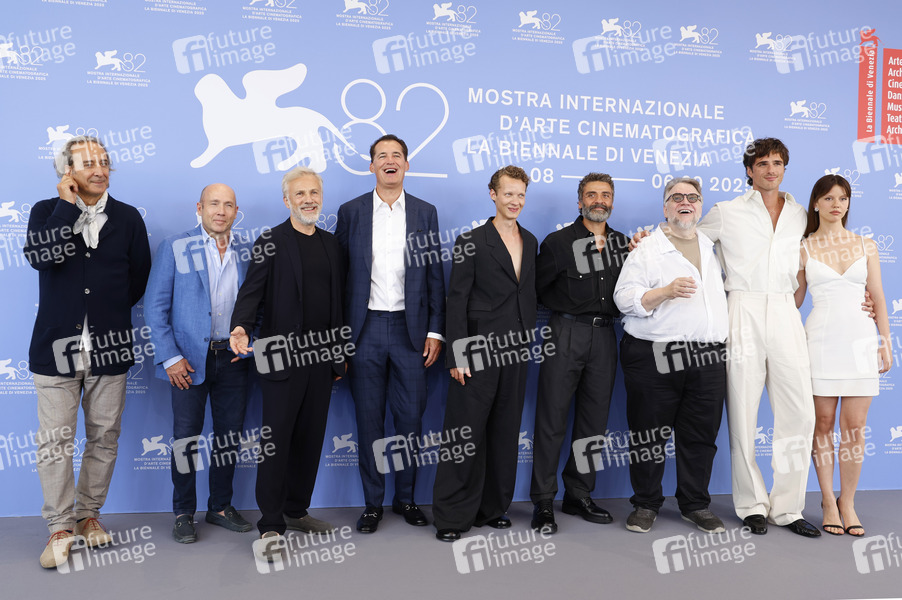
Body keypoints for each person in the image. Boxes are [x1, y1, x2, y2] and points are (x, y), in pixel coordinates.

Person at [25, 136, 151, 568]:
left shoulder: (128, 218)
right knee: (55, 441)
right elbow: (42, 257)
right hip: (55, 349)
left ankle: (88, 516)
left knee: (104, 437)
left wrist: (105, 315)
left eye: (104, 162)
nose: (99, 170)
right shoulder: (46, 211)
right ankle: (59, 527)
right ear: (68, 171)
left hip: (109, 349)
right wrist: (67, 206)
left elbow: (137, 280)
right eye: (87, 163)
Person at [229, 167, 346, 550]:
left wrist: (339, 355)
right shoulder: (271, 240)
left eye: (314, 193)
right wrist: (241, 327)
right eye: (300, 194)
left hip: (321, 359)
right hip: (281, 359)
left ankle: (297, 510)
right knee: (276, 442)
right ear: (287, 200)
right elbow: (251, 292)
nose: (308, 200)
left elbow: (339, 303)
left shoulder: (331, 244)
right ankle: (271, 522)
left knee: (309, 440)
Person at [335, 134, 446, 533]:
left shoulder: (424, 213)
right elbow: (340, 277)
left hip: (410, 331)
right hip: (363, 329)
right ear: (372, 166)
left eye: (396, 155)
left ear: (406, 165)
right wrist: (341, 338)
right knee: (369, 421)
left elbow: (435, 275)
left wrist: (435, 331)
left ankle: (407, 499)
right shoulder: (351, 212)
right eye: (381, 155)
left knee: (410, 420)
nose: (389, 160)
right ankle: (372, 505)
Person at [614, 177, 728, 534]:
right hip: (655, 354)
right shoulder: (647, 247)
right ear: (665, 207)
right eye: (677, 197)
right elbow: (623, 297)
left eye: (692, 197)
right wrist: (663, 292)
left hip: (707, 356)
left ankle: (695, 504)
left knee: (701, 435)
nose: (685, 202)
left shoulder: (711, 245)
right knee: (648, 434)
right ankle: (646, 504)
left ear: (700, 205)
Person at [144, 183, 255, 543]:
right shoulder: (175, 247)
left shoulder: (247, 250)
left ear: (236, 211)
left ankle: (220, 507)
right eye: (214, 204)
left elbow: (257, 305)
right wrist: (170, 357)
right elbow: (154, 308)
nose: (221, 211)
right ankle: (183, 513)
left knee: (229, 437)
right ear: (200, 208)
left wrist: (250, 340)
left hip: (234, 358)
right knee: (185, 440)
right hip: (187, 361)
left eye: (228, 205)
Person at [432, 166, 538, 542]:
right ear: (493, 194)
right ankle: (451, 515)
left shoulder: (531, 241)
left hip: (516, 351)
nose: (515, 201)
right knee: (465, 432)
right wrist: (457, 355)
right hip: (477, 351)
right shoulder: (471, 240)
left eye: (521, 195)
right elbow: (457, 300)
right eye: (508, 194)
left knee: (505, 432)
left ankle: (492, 508)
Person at [528, 172, 629, 533]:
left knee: (593, 422)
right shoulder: (558, 242)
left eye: (605, 195)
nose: (599, 200)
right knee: (551, 419)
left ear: (612, 201)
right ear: (580, 201)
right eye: (591, 194)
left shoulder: (624, 245)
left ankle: (579, 493)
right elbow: (538, 289)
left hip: (605, 337)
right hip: (565, 332)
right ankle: (543, 500)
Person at [794, 174, 892, 536]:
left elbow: (878, 296)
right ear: (816, 203)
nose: (837, 204)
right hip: (820, 341)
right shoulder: (803, 247)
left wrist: (885, 341)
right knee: (822, 423)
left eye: (843, 198)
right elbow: (794, 299)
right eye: (829, 198)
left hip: (861, 341)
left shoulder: (866, 245)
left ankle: (847, 501)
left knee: (854, 427)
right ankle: (826, 500)